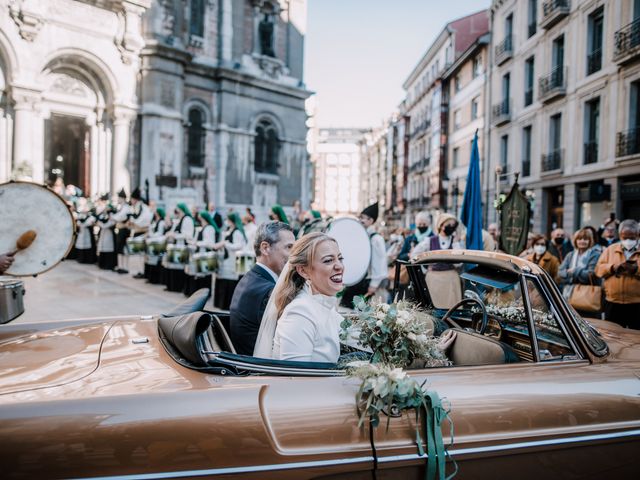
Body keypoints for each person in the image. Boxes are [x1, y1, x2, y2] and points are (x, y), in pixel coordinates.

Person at [271, 233, 345, 363]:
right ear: (303, 271)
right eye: (328, 260)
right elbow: (296, 376)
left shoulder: (322, 304)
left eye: (340, 258)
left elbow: (357, 337)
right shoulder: (300, 312)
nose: (339, 266)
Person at [229, 221, 295, 355]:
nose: (294, 256)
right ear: (265, 248)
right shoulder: (266, 290)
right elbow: (288, 339)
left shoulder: (252, 278)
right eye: (289, 247)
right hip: (257, 369)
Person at [340, 202, 388, 308]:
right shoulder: (360, 235)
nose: (361, 220)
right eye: (360, 217)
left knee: (361, 312)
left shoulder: (376, 239)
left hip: (367, 281)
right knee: (347, 307)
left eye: (364, 218)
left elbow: (379, 262)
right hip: (358, 280)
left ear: (371, 221)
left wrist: (374, 284)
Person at [595, 219, 640, 329]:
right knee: (613, 334)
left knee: (636, 337)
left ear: (638, 235)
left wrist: (636, 269)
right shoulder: (611, 249)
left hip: (637, 303)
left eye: (632, 238)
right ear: (620, 235)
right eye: (625, 238)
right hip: (613, 302)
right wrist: (612, 267)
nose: (628, 240)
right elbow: (598, 270)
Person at [412, 213, 464, 309]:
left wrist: (456, 242)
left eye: (453, 226)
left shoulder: (456, 242)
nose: (451, 227)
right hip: (433, 279)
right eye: (448, 225)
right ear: (441, 225)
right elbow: (414, 255)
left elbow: (459, 263)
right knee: (433, 308)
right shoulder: (429, 241)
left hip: (451, 279)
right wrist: (424, 269)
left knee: (451, 309)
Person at [558, 228, 602, 316]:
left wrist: (574, 271)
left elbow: (591, 274)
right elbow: (560, 272)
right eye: (579, 239)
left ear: (590, 241)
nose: (582, 241)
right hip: (570, 295)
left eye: (585, 239)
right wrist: (577, 273)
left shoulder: (595, 254)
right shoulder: (570, 255)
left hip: (587, 295)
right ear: (575, 241)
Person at [213, 212, 247, 309]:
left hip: (233, 261)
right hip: (227, 260)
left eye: (228, 220)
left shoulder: (237, 232)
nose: (227, 222)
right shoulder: (229, 230)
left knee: (229, 283)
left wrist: (225, 244)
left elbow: (239, 246)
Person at [112, 188, 132, 274]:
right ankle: (120, 266)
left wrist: (113, 217)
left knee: (124, 249)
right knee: (119, 249)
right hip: (120, 229)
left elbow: (121, 217)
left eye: (119, 198)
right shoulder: (121, 207)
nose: (118, 199)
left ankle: (125, 267)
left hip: (124, 230)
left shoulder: (126, 208)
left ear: (123, 198)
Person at [74, 198, 97, 264]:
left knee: (88, 245)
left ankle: (88, 259)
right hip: (82, 232)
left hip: (87, 232)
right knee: (81, 245)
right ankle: (81, 258)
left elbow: (90, 222)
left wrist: (83, 223)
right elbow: (78, 223)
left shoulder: (90, 216)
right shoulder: (81, 215)